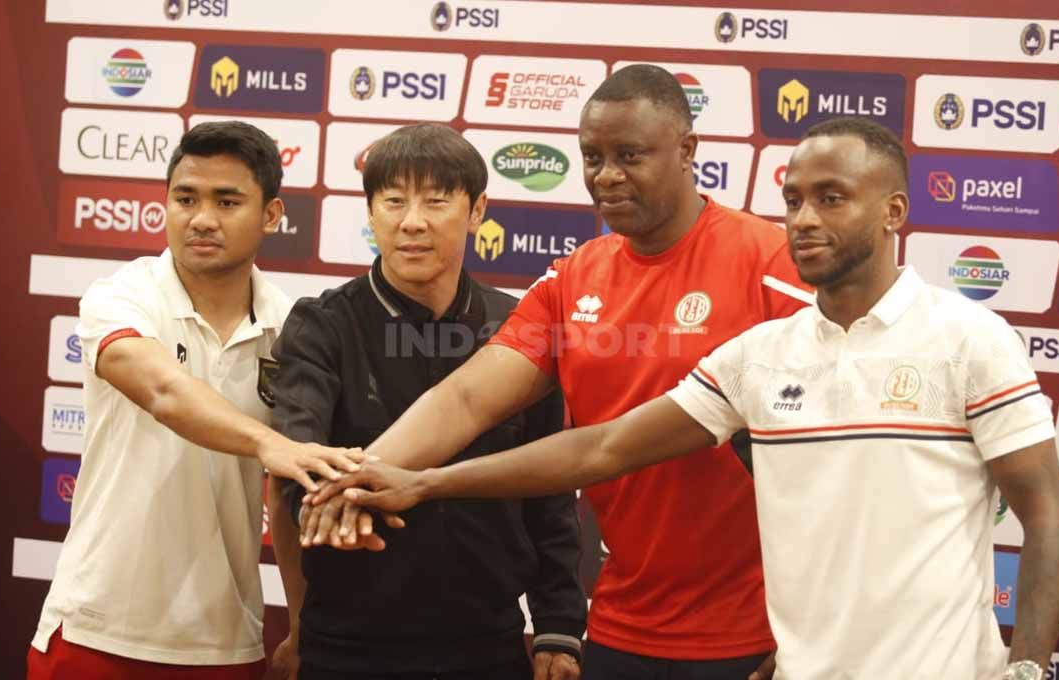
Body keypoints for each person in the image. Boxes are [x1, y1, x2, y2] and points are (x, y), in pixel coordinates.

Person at [334, 117, 1059, 680]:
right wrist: (417, 480)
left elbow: (1045, 513)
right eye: (794, 200)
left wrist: (1031, 667)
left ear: (893, 212)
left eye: (833, 198)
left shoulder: (969, 337)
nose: (806, 219)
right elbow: (599, 447)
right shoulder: (757, 357)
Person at [303, 65, 812, 679]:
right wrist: (358, 481)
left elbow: (848, 468)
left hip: (754, 634)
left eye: (630, 155)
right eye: (592, 156)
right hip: (622, 626)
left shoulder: (774, 266)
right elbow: (465, 398)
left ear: (687, 151)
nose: (607, 175)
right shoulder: (571, 280)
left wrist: (810, 630)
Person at [27, 121, 362, 680]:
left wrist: (303, 628)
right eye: (186, 198)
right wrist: (267, 442)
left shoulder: (291, 328)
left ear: (272, 215)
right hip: (95, 629)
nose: (202, 218)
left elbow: (288, 497)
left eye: (227, 201)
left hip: (224, 642)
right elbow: (161, 391)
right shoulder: (121, 296)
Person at [266, 123, 586, 680]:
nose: (412, 221)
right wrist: (324, 507)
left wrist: (558, 625)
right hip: (345, 644)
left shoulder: (518, 326)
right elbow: (298, 456)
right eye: (392, 201)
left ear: (477, 208)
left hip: (487, 645)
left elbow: (548, 489)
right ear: (371, 213)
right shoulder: (323, 324)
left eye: (436, 201)